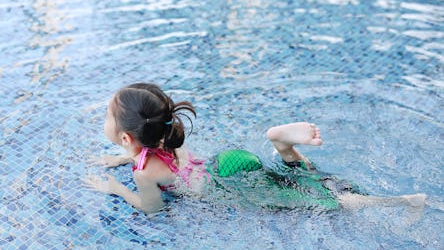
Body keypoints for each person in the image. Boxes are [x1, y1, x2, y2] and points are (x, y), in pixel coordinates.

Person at [85, 83, 426, 214]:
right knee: (292, 180)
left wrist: (115, 188)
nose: (104, 120)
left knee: (311, 199)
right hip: (229, 162)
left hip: (227, 185)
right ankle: (282, 146)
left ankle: (394, 202)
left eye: (107, 116)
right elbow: (155, 151)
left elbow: (153, 209)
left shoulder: (144, 172)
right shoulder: (168, 134)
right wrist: (119, 159)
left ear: (128, 138)